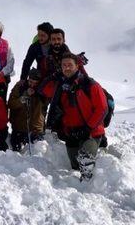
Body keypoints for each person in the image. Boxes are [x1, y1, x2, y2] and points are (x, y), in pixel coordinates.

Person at [40, 52, 108, 181]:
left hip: (91, 132)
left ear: (77, 66)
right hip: (71, 133)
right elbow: (43, 89)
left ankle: (89, 185)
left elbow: (102, 108)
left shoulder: (90, 84)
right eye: (64, 65)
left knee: (85, 158)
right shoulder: (61, 86)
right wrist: (53, 75)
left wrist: (88, 128)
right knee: (75, 165)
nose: (67, 68)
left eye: (70, 65)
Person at [8, 68, 46, 151]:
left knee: (38, 152)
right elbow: (11, 104)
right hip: (19, 127)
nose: (32, 85)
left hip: (36, 129)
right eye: (31, 82)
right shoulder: (20, 86)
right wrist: (25, 97)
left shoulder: (43, 90)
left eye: (35, 83)